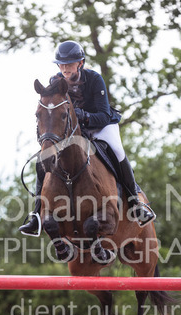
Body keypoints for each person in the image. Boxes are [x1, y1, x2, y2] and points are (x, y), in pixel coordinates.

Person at [20, 40, 155, 236]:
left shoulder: (94, 79)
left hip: (101, 125)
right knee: (43, 159)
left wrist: (83, 116)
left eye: (69, 63)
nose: (65, 68)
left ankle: (135, 203)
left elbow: (104, 115)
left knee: (117, 151)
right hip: (75, 130)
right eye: (61, 64)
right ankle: (36, 215)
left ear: (80, 63)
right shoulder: (55, 82)